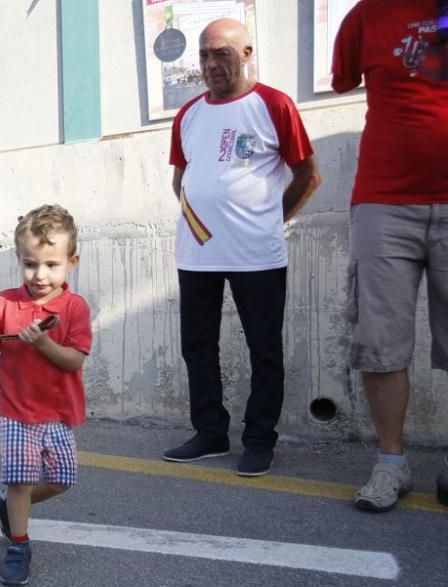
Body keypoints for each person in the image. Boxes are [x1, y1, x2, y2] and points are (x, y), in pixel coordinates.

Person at [161, 18, 322, 476]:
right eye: (205, 56)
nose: (211, 65)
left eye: (222, 54)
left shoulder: (274, 104)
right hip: (197, 254)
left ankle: (258, 440)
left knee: (264, 350)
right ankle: (210, 432)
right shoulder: (188, 114)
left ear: (247, 53)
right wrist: (201, 217)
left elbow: (309, 175)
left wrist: (268, 220)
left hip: (257, 255)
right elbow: (182, 178)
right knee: (198, 347)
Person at [331, 0, 448, 510]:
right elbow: (340, 80)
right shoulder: (365, 15)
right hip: (384, 201)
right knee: (379, 340)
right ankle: (392, 464)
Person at [0, 204, 92, 587]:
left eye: (51, 265)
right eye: (30, 264)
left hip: (57, 412)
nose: (39, 275)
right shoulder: (5, 301)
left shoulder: (74, 308)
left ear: (71, 262)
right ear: (20, 259)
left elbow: (73, 361)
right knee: (21, 479)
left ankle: (7, 504)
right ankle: (19, 544)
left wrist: (42, 343)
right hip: (14, 407)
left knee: (62, 479)